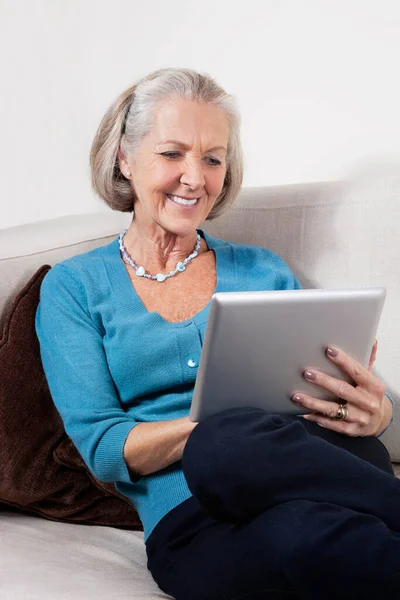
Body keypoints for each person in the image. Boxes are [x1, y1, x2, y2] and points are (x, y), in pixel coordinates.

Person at [36, 68, 399, 600]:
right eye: (172, 153)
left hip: (323, 469)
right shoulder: (75, 288)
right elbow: (105, 447)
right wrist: (208, 430)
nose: (195, 178)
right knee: (292, 529)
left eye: (212, 158)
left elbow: (337, 384)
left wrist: (379, 412)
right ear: (124, 158)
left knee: (237, 448)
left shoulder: (263, 271)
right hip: (191, 522)